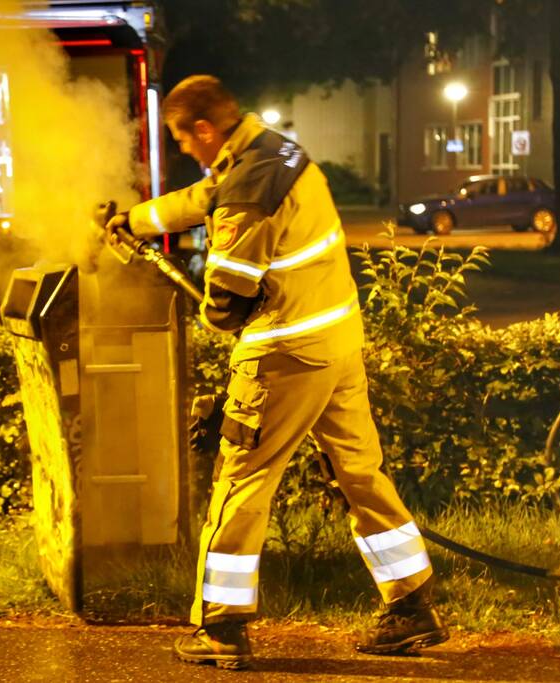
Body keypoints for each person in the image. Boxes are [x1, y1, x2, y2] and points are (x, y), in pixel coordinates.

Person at [107, 75, 448, 670]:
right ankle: (413, 605)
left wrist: (218, 311)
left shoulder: (249, 189)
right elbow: (203, 196)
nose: (185, 149)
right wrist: (135, 222)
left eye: (184, 139)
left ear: (206, 129)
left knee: (242, 482)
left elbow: (226, 297)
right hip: (336, 342)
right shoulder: (271, 150)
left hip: (284, 355)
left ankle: (221, 625)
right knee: (358, 474)